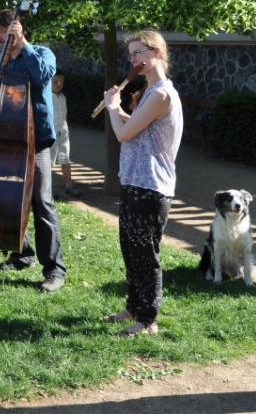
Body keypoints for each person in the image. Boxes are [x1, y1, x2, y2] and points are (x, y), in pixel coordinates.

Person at [103, 30, 183, 337]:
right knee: (130, 250)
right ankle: (134, 307)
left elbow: (123, 134)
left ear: (157, 52)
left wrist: (112, 108)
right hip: (136, 181)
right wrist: (119, 109)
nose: (133, 59)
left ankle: (148, 320)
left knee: (145, 256)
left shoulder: (162, 94)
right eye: (131, 54)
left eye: (139, 52)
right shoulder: (150, 92)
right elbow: (134, 127)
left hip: (151, 186)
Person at [0, 10, 67, 293]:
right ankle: (23, 253)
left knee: (41, 203)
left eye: (3, 31)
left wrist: (23, 44)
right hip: (7, 140)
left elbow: (42, 77)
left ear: (19, 29)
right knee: (9, 196)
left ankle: (55, 270)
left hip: (37, 140)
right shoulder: (2, 61)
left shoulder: (43, 53)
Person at [50, 71, 80, 197]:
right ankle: (48, 188)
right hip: (50, 133)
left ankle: (68, 185)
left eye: (61, 81)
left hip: (63, 132)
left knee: (65, 158)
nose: (59, 84)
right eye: (55, 81)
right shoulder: (47, 96)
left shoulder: (62, 97)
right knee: (49, 161)